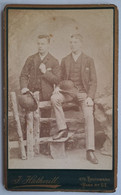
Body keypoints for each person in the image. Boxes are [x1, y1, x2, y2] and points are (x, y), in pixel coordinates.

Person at [51, 34, 98, 164]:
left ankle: (90, 151)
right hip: (68, 92)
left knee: (89, 114)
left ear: (81, 44)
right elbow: (60, 78)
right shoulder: (65, 60)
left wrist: (90, 97)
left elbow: (93, 81)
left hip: (83, 94)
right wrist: (57, 87)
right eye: (71, 42)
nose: (73, 44)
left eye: (75, 42)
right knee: (54, 98)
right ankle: (63, 129)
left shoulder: (89, 60)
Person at [20, 34, 60, 155]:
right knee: (28, 118)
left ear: (48, 45)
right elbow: (23, 75)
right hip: (31, 94)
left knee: (45, 121)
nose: (40, 46)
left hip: (46, 95)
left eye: (43, 44)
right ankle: (28, 145)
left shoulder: (54, 61)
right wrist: (24, 88)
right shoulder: (31, 59)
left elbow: (57, 80)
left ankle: (43, 146)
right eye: (38, 44)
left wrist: (45, 72)